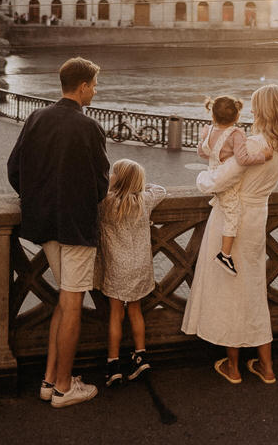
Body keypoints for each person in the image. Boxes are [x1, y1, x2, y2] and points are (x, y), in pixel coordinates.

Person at [6, 57, 110, 409]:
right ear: (82, 87)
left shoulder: (36, 118)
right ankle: (65, 388)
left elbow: (14, 169)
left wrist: (37, 199)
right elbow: (101, 186)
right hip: (76, 228)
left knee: (65, 302)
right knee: (73, 304)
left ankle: (49, 380)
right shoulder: (90, 128)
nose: (95, 91)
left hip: (44, 224)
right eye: (94, 85)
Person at [182, 83, 278, 386]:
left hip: (232, 220)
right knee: (254, 290)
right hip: (257, 217)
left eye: (256, 106)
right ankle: (266, 367)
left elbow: (215, 182)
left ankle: (233, 368)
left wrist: (201, 175)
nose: (253, 111)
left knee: (231, 292)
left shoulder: (254, 144)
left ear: (263, 110)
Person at [97, 158, 166, 386]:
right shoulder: (144, 201)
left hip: (116, 268)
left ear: (117, 179)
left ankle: (113, 363)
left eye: (113, 173)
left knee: (116, 314)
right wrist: (141, 188)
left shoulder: (106, 203)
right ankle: (140, 356)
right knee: (136, 311)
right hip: (140, 267)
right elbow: (160, 190)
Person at [196, 95, 271, 276]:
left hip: (213, 175)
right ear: (237, 116)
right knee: (232, 215)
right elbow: (243, 159)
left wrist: (206, 141)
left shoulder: (209, 131)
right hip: (227, 181)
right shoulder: (236, 134)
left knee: (227, 208)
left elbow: (203, 153)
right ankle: (225, 254)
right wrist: (263, 156)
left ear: (213, 115)